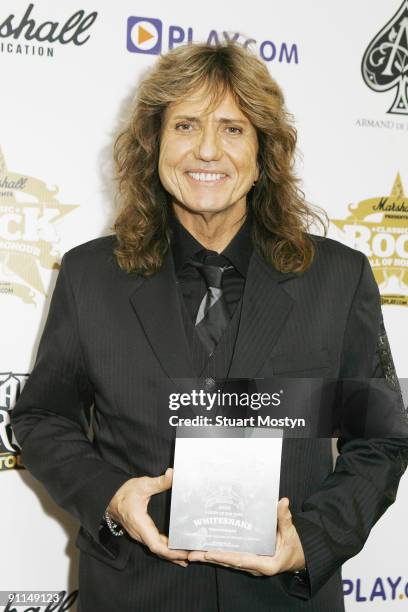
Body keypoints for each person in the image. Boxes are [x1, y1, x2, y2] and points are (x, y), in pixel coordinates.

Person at [11, 41, 408, 612]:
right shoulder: (89, 275)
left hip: (283, 599)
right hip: (134, 594)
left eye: (232, 129)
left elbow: (382, 439)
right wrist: (112, 497)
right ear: (155, 144)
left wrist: (311, 539)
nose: (206, 150)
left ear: (264, 152)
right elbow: (43, 417)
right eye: (186, 125)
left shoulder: (338, 279)